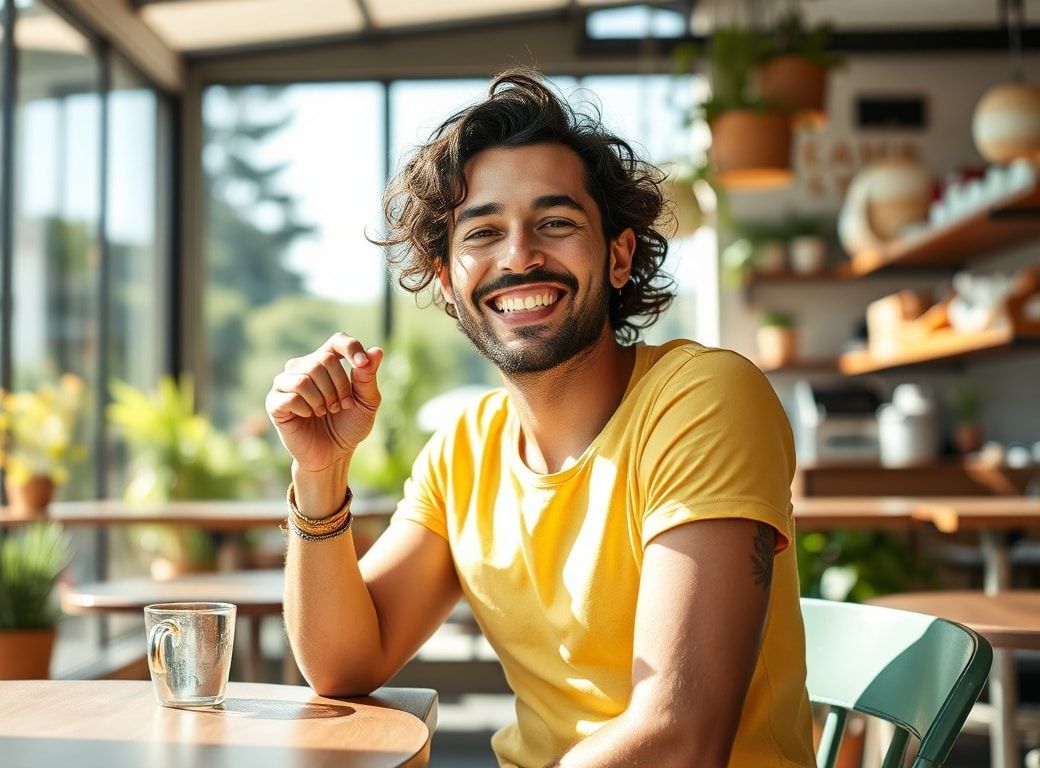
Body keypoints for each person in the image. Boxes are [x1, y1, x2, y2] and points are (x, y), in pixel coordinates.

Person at [265, 69, 815, 768]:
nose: (519, 256)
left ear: (618, 256)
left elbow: (681, 735)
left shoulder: (704, 399)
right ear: (447, 281)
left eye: (555, 223)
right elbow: (344, 663)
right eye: (484, 232)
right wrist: (319, 471)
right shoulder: (464, 450)